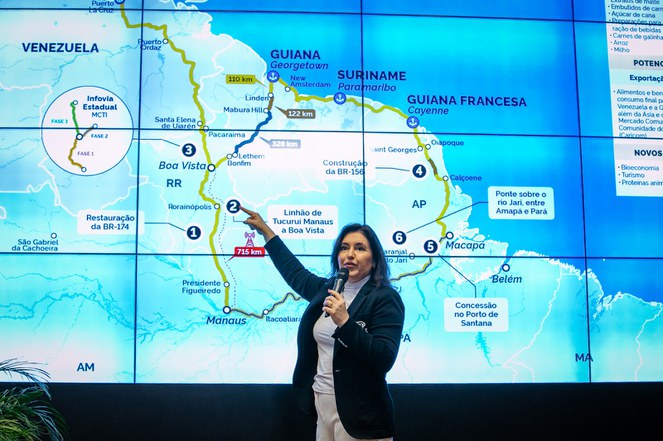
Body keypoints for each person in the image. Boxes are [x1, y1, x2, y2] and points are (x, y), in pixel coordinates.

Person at [240, 206, 405, 441]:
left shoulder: (385, 298)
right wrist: (266, 231)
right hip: (323, 407)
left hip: (362, 414)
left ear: (375, 260)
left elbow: (384, 358)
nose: (350, 254)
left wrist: (345, 322)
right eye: (344, 248)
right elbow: (294, 272)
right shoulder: (327, 289)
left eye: (360, 248)